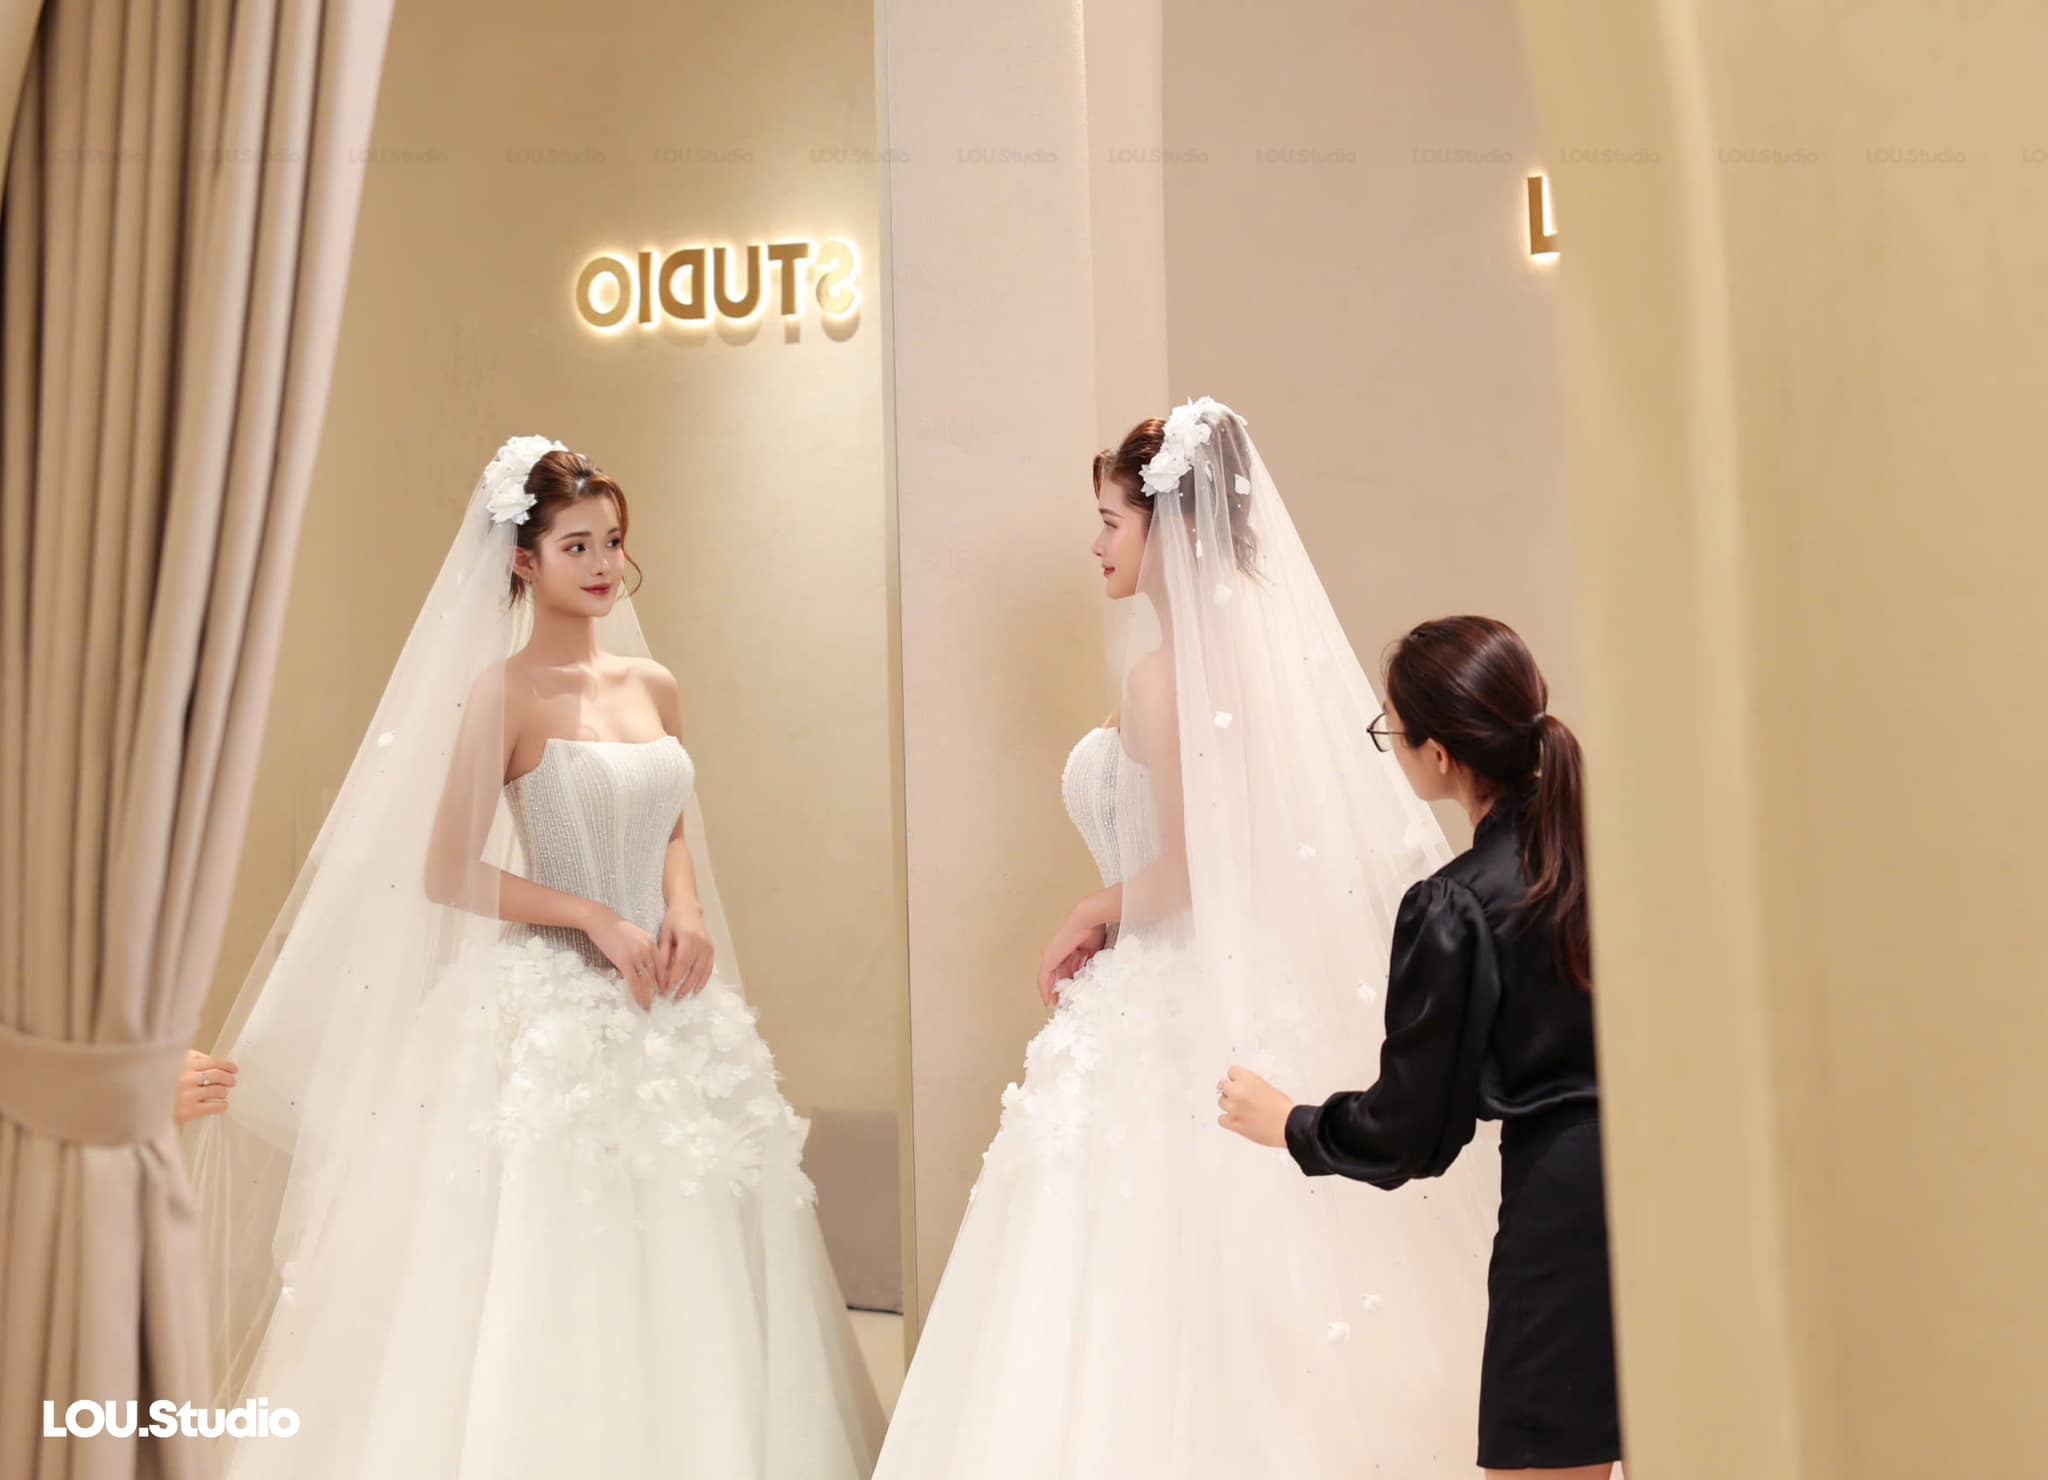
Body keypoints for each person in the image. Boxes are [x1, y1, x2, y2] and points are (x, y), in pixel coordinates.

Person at [187, 437, 881, 1477]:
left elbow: (672, 820)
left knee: (691, 1240)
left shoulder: (654, 684)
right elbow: (447, 871)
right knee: (555, 1247)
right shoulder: (502, 693)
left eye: (612, 541)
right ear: (524, 560)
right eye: (576, 545)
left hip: (668, 1002)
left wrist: (683, 907)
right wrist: (593, 917)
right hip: (550, 1013)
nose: (603, 565)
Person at [875, 401, 1497, 1478]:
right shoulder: (1251, 667)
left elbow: (1202, 870)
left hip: (1167, 1001)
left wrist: (1095, 907)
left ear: (1174, 525)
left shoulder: (1162, 679)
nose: (1096, 544)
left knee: (1126, 1273)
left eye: (1111, 521)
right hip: (1222, 991)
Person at [1219, 615, 1622, 1478]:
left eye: (1392, 732)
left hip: (1562, 1219)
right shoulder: (1614, 861)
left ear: (1438, 755)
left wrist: (1292, 1122)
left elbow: (1414, 1131)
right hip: (1674, 1198)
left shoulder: (1458, 902)